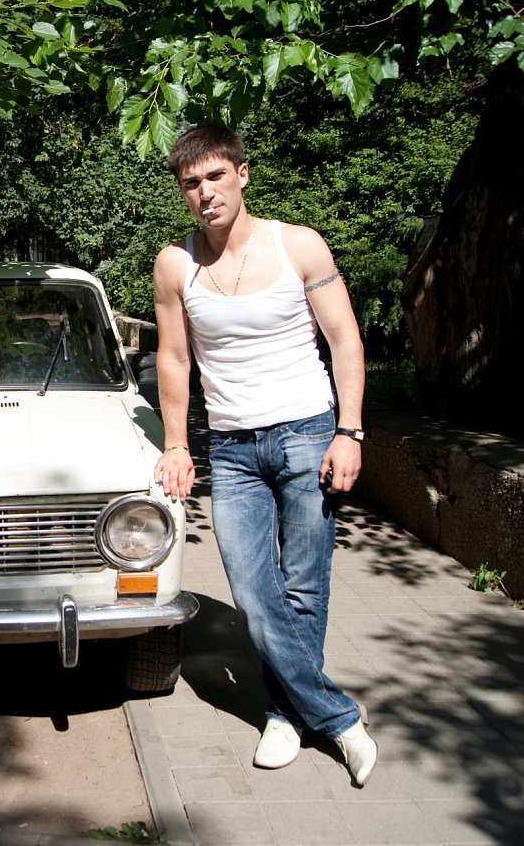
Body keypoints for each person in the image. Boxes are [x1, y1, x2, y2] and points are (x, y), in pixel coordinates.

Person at [151, 124, 378, 788]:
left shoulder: (298, 245)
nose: (205, 193)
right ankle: (339, 717)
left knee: (305, 588)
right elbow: (174, 359)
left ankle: (283, 715)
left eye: (215, 176)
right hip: (234, 449)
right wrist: (175, 444)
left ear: (242, 174)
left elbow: (345, 340)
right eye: (191, 183)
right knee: (254, 595)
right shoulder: (176, 264)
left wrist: (350, 432)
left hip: (308, 432)